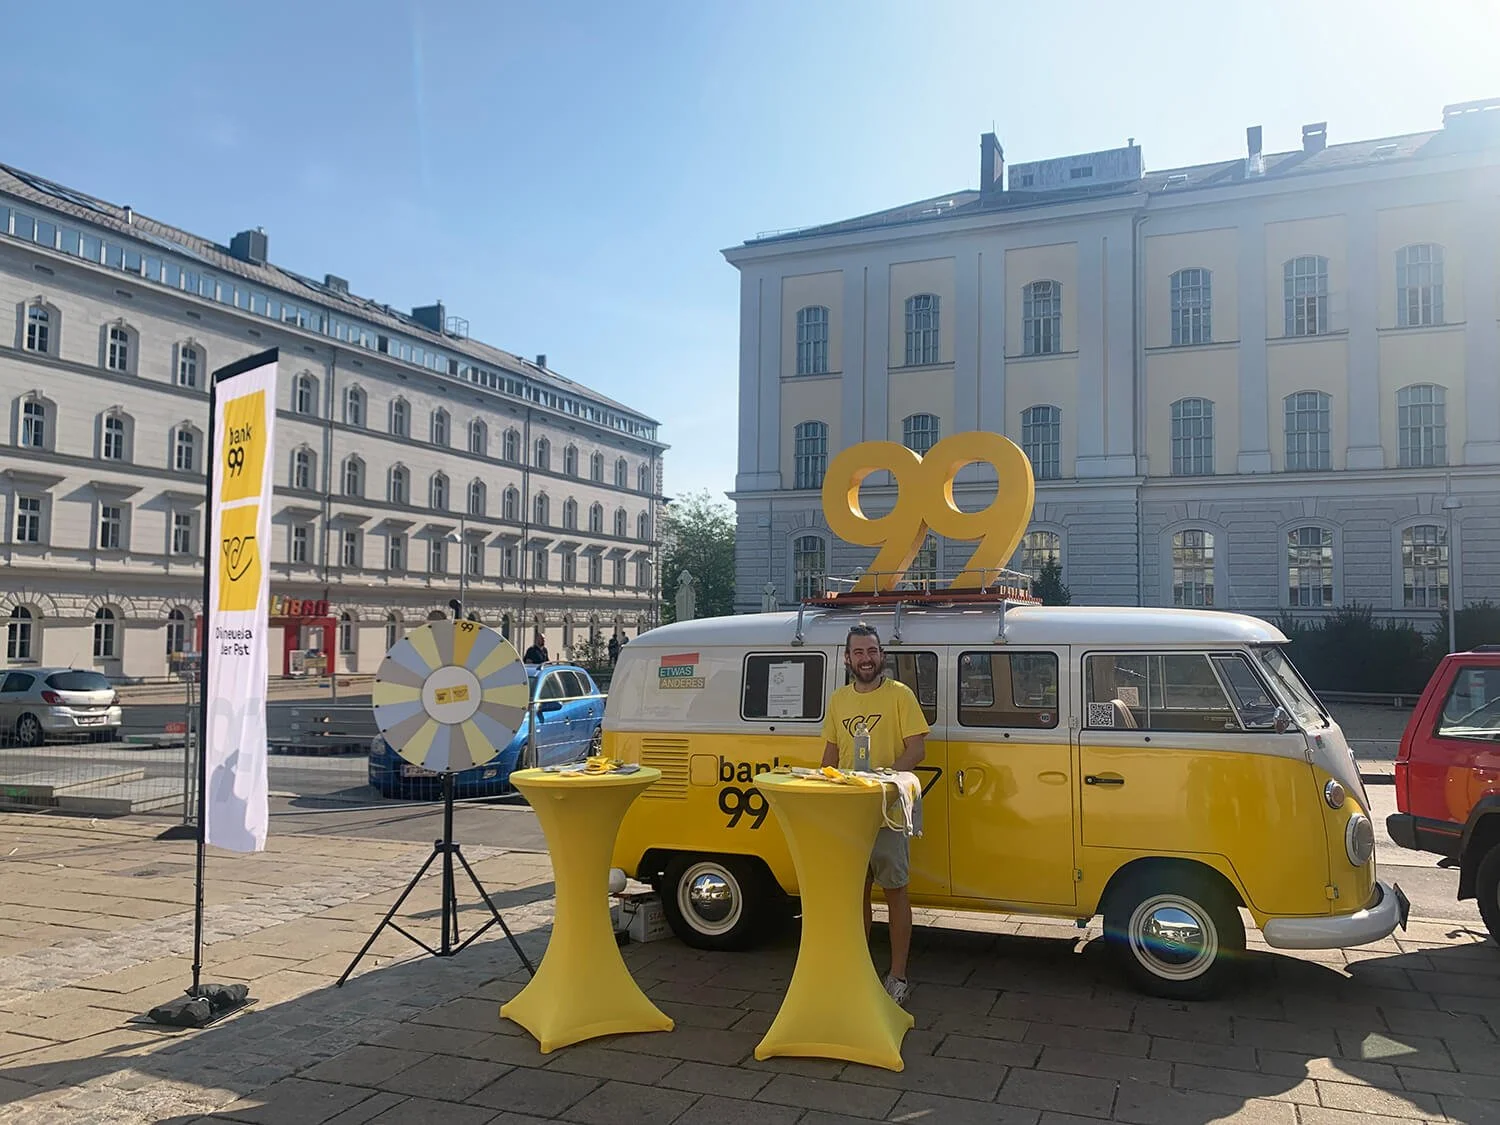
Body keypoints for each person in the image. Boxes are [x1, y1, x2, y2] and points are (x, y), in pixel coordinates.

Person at [820, 623, 928, 1005]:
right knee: (857, 892)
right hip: (850, 812)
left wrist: (887, 780)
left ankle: (898, 977)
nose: (867, 659)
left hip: (890, 809)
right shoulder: (838, 700)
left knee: (895, 891)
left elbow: (916, 750)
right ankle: (860, 970)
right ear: (848, 658)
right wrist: (826, 792)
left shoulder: (900, 695)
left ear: (882, 655)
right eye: (859, 653)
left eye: (872, 651)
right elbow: (831, 757)